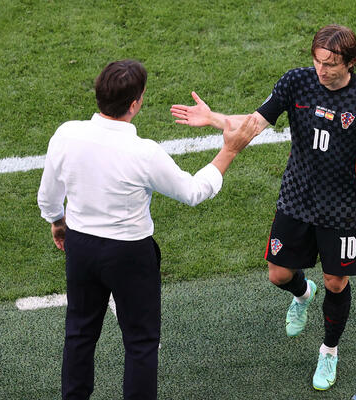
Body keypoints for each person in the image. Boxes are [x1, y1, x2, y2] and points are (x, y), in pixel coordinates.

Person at [170, 24, 356, 391]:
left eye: (330, 64)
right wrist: (215, 118)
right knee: (279, 275)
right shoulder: (296, 82)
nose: (322, 70)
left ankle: (329, 350)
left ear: (350, 62)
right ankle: (302, 294)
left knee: (336, 281)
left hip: (340, 207)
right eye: (317, 61)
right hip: (296, 197)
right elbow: (254, 122)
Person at [37, 59, 259, 400]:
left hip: (80, 248)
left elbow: (48, 196)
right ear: (134, 104)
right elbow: (192, 192)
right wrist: (229, 150)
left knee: (79, 333)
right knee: (140, 342)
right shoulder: (144, 153)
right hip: (129, 255)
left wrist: (57, 222)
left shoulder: (66, 134)